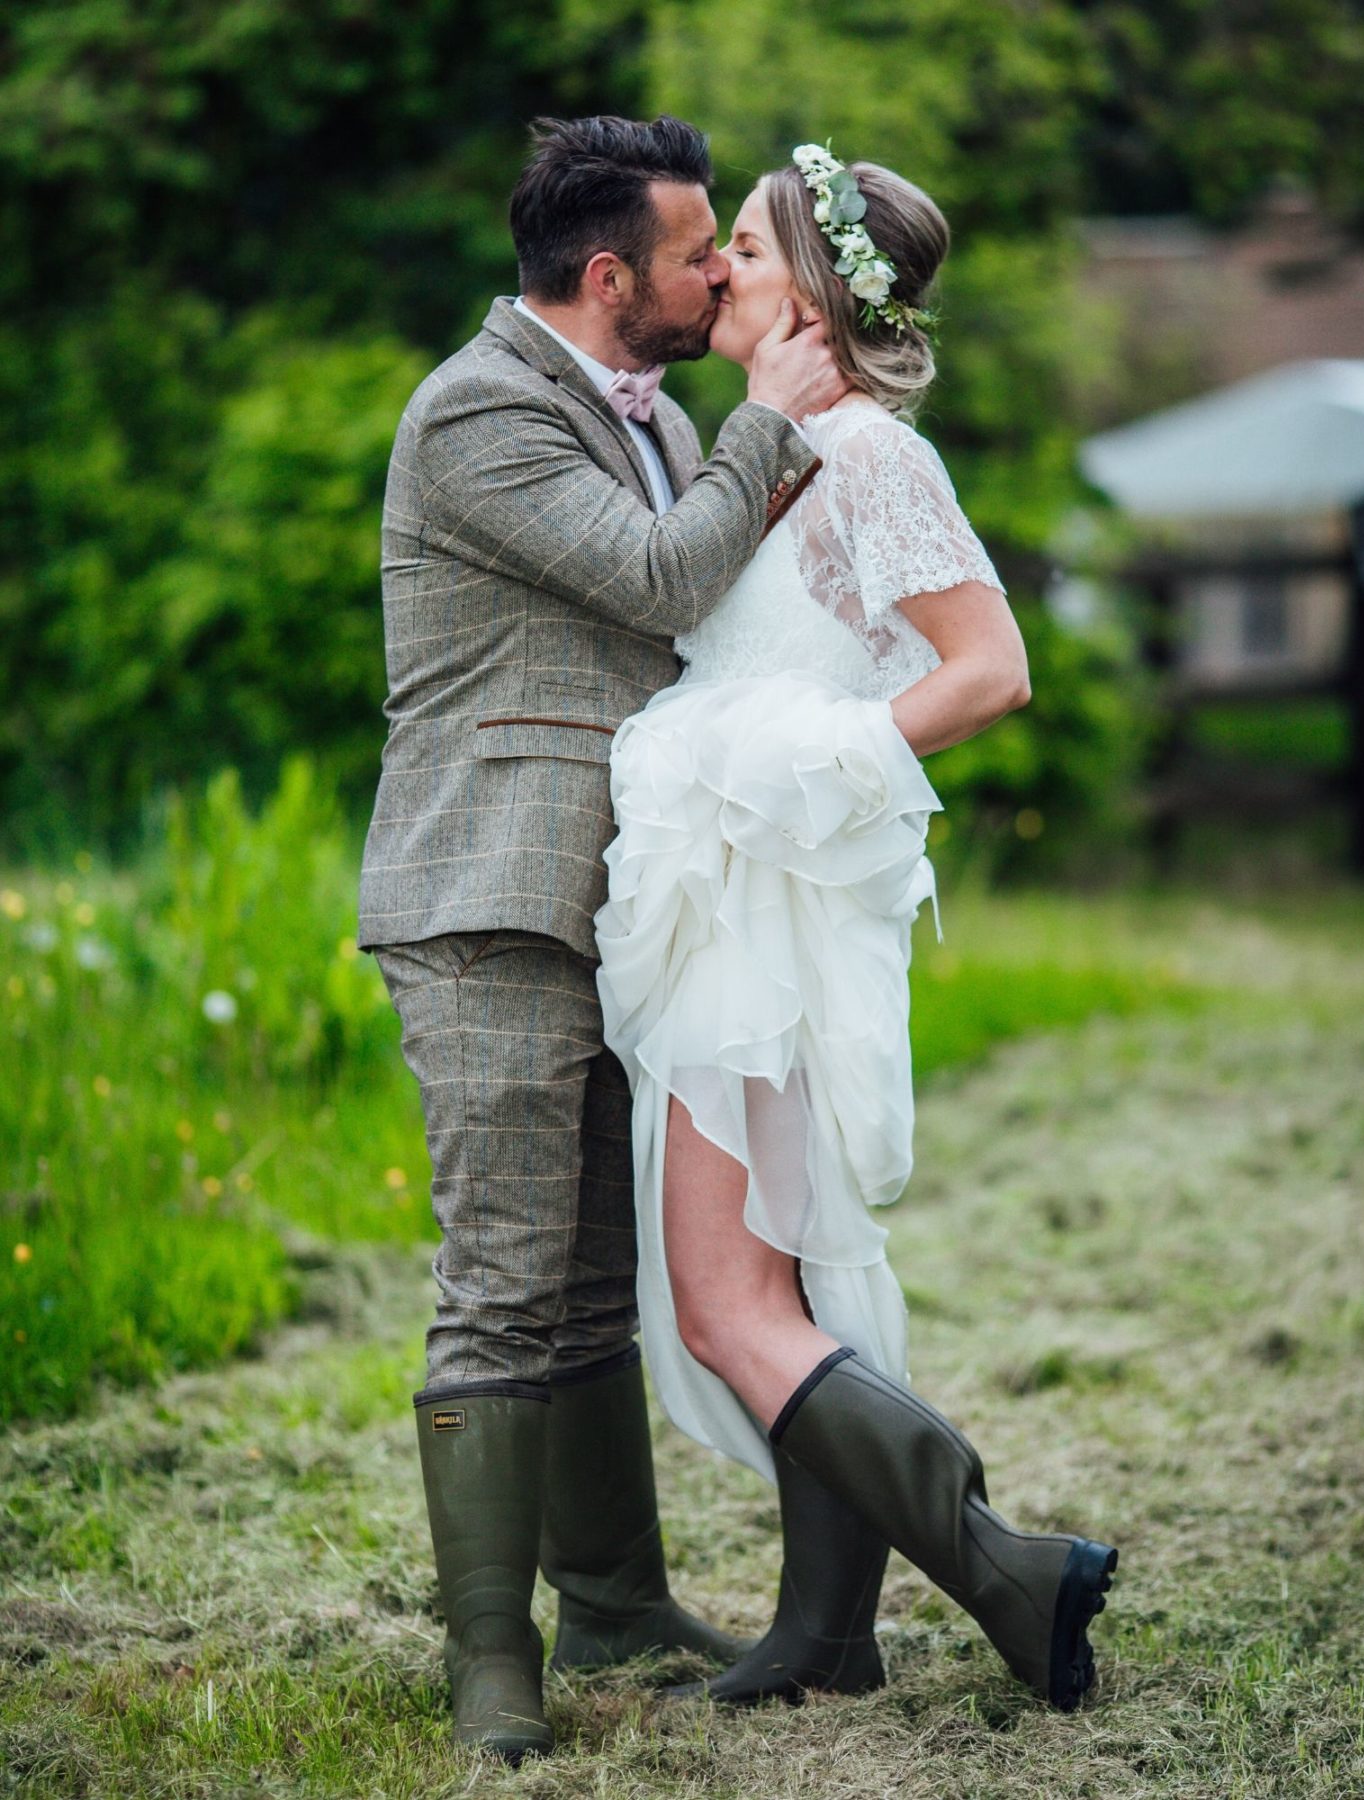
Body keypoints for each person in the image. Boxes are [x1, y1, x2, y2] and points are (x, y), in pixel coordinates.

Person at [595, 143, 1118, 1713]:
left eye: (742, 249)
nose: (717, 273)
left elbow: (989, 669)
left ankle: (1006, 1562)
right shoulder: (774, 450)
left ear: (817, 293)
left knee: (728, 1300)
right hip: (733, 895)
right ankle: (825, 1634)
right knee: (793, 1283)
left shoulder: (877, 460)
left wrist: (805, 763)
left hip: (772, 905)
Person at [357, 115, 850, 1764]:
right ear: (605, 273)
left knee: (593, 1286)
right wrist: (772, 427)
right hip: (491, 893)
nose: (722, 270)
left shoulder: (643, 415)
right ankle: (491, 1666)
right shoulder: (480, 408)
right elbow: (653, 582)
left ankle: (619, 1607)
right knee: (502, 1286)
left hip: (626, 900)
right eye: (700, 249)